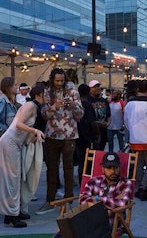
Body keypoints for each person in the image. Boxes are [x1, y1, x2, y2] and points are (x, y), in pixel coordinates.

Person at [0, 84, 45, 228]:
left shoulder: (33, 107)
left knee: (14, 179)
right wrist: (35, 131)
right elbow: (19, 125)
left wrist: (33, 136)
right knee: (12, 179)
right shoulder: (30, 105)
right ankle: (12, 214)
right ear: (39, 95)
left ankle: (11, 212)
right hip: (10, 142)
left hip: (14, 144)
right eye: (46, 93)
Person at [36, 68, 84, 215]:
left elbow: (81, 113)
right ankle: (50, 200)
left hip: (69, 135)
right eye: (57, 80)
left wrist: (72, 106)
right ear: (52, 79)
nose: (59, 83)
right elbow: (43, 114)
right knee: (52, 169)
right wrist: (53, 107)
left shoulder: (72, 90)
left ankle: (68, 200)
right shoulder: (47, 91)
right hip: (51, 135)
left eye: (62, 80)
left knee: (69, 169)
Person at [124, 79, 147, 201]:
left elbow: (126, 122)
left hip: (135, 140)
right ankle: (144, 188)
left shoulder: (129, 104)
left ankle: (136, 188)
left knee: (138, 165)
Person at [79, 152, 133, 226]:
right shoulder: (94, 181)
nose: (113, 171)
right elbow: (82, 201)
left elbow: (122, 204)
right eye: (109, 168)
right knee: (65, 228)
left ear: (119, 168)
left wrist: (96, 199)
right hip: (90, 221)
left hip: (110, 224)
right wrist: (111, 202)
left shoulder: (125, 183)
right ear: (103, 169)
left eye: (115, 168)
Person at [76, 84, 99, 184]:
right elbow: (92, 122)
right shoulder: (87, 104)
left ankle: (82, 180)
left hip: (78, 135)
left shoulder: (77, 104)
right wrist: (97, 134)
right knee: (88, 161)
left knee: (81, 160)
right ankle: (86, 181)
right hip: (87, 136)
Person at [88, 80, 110, 151]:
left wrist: (108, 123)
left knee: (101, 151)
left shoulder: (104, 101)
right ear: (90, 89)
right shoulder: (88, 101)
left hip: (103, 131)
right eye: (94, 87)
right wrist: (97, 123)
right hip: (92, 132)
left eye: (98, 86)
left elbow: (109, 115)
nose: (97, 88)